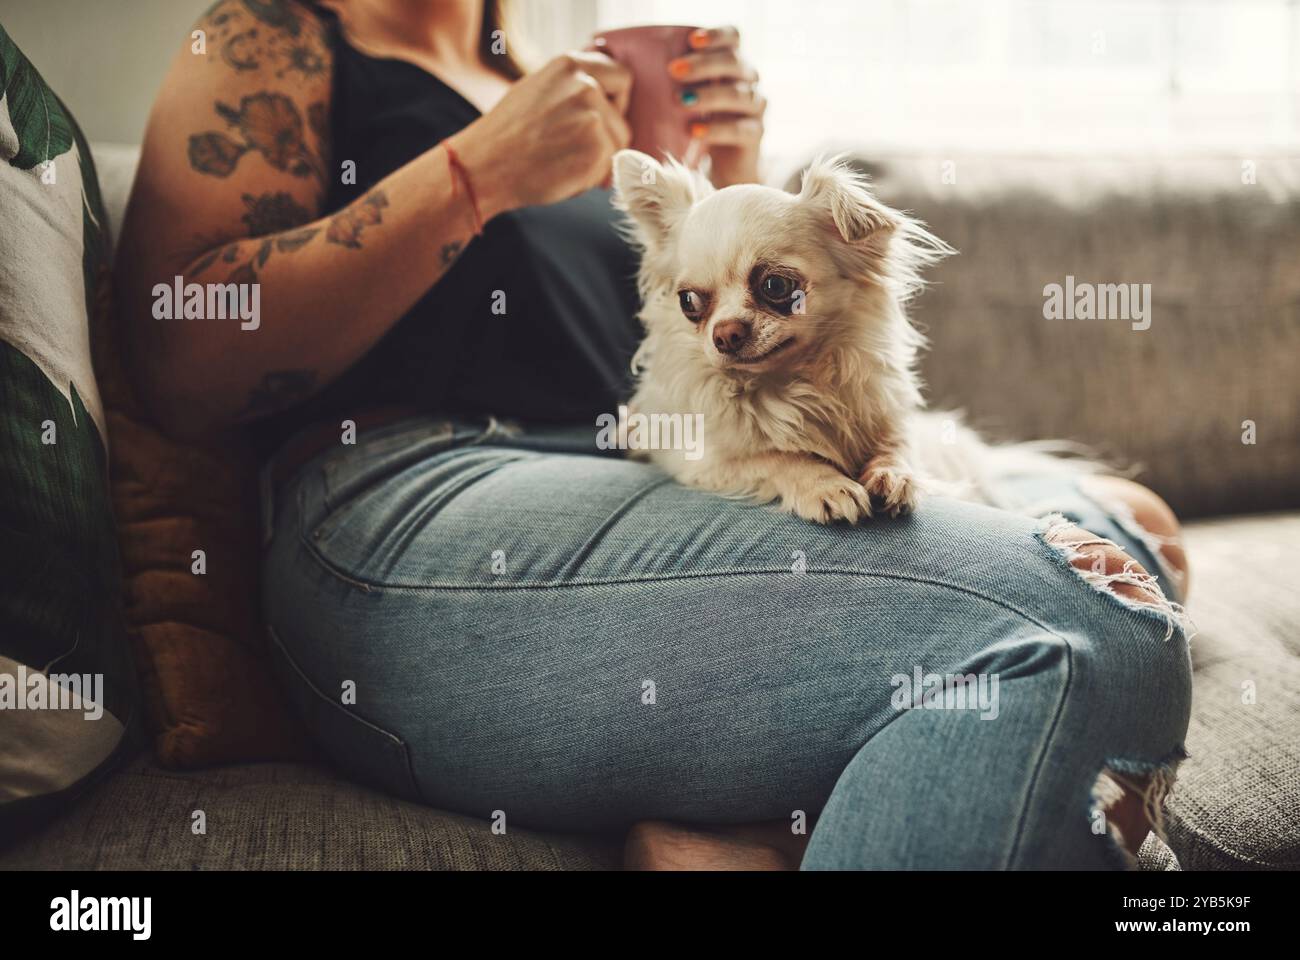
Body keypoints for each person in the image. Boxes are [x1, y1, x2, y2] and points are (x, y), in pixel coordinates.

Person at [116, 0, 1192, 869]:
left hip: (654, 466)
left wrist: (730, 184)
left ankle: (743, 825)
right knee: (1091, 612)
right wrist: (475, 174)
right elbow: (179, 361)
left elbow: (709, 345)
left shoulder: (548, 80)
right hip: (419, 502)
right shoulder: (275, 39)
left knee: (1135, 527)